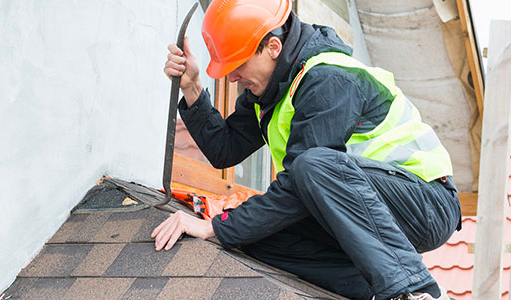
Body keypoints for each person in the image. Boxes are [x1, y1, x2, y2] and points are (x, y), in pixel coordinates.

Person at [151, 0, 462, 299]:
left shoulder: (328, 79)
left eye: (238, 64)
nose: (232, 77)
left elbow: (302, 181)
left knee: (309, 167)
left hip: (425, 203)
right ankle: (363, 289)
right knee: (257, 237)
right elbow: (225, 150)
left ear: (273, 47)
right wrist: (192, 87)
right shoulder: (270, 89)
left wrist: (214, 226)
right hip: (361, 208)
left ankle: (413, 291)